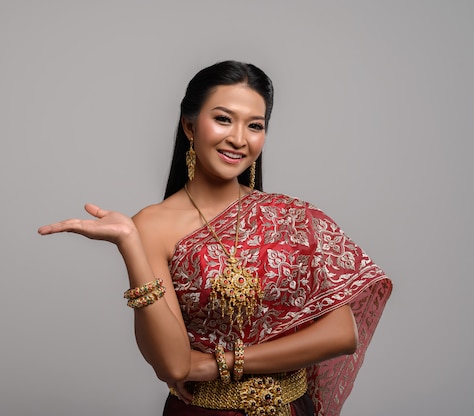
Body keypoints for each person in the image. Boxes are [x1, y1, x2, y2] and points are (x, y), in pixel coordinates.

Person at [38, 60, 392, 416]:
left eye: (255, 125)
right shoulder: (151, 226)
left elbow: (342, 334)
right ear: (190, 126)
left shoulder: (294, 217)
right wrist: (129, 241)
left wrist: (216, 364)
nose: (239, 139)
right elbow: (174, 366)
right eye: (223, 119)